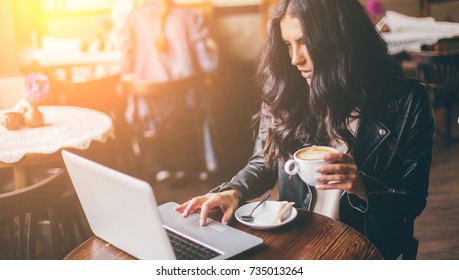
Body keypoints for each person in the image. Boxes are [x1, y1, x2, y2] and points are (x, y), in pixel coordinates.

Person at [176, 0, 435, 259]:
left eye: (305, 42)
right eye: (288, 44)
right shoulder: (287, 92)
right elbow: (263, 162)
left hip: (366, 249)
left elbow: (412, 201)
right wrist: (234, 191)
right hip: (299, 241)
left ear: (339, 36)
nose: (294, 59)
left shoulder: (408, 102)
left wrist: (361, 186)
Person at [120, 0, 219, 182]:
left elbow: (125, 67)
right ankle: (199, 164)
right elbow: (209, 64)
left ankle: (158, 167)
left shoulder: (134, 18)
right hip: (185, 106)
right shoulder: (192, 17)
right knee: (206, 93)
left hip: (148, 108)